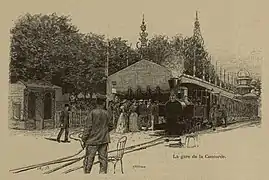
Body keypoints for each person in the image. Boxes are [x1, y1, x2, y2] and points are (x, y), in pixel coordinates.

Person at [81, 95, 113, 174]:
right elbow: (111, 126)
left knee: (89, 160)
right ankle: (102, 176)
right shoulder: (107, 113)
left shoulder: (92, 113)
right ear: (103, 103)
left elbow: (88, 127)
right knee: (103, 160)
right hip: (104, 140)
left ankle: (86, 175)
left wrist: (84, 138)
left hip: (92, 141)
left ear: (97, 103)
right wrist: (104, 131)